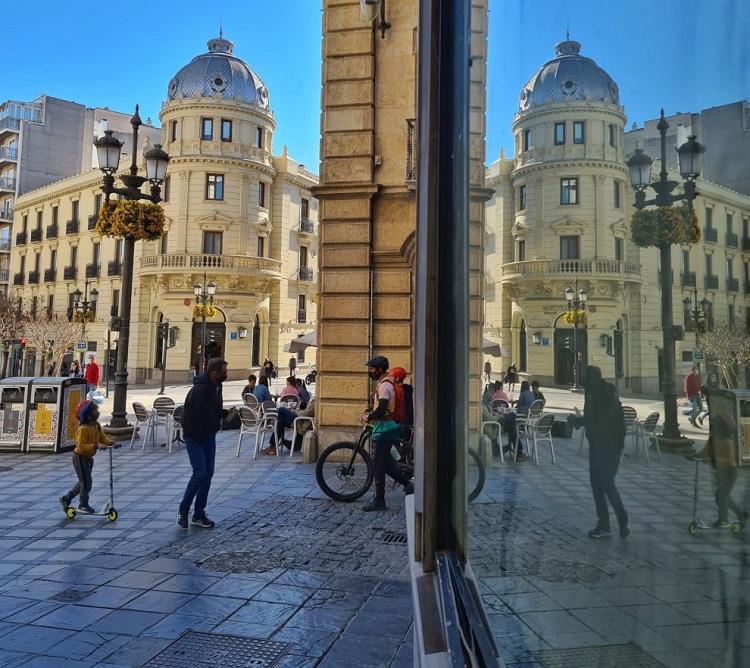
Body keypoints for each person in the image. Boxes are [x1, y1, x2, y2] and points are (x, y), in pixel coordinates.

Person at [576, 365, 629, 539]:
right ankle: (604, 524)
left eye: (584, 376)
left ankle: (622, 518)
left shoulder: (605, 395)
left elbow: (605, 423)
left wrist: (589, 426)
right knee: (597, 484)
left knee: (606, 482)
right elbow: (591, 418)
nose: (581, 379)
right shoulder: (590, 392)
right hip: (597, 445)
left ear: (592, 378)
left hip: (610, 445)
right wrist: (578, 421)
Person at [177, 358, 228, 529]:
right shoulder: (200, 389)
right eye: (223, 371)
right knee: (200, 472)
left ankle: (199, 514)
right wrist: (216, 419)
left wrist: (222, 413)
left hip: (208, 435)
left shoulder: (216, 386)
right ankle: (183, 511)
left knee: (208, 474)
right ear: (213, 372)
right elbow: (203, 413)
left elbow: (213, 410)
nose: (224, 374)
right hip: (195, 435)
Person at [361, 355, 413, 511]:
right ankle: (409, 485)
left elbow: (383, 408)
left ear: (380, 369)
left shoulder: (384, 385)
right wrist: (371, 411)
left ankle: (380, 500)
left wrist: (369, 416)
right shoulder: (388, 383)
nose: (370, 372)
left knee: (377, 464)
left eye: (372, 369)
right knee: (386, 464)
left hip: (385, 429)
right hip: (387, 427)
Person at [59, 400, 113, 515]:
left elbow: (102, 438)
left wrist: (110, 443)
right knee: (86, 483)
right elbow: (81, 446)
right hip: (80, 457)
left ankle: (66, 498)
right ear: (86, 415)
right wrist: (96, 446)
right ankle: (83, 505)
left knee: (83, 482)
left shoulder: (96, 425)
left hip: (88, 458)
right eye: (93, 410)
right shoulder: (83, 429)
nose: (96, 412)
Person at [707, 413, 748, 528]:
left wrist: (714, 458)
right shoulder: (714, 438)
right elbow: (706, 451)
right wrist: (696, 456)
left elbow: (729, 460)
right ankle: (741, 514)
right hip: (720, 472)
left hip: (729, 472)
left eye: (715, 425)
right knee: (722, 496)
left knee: (722, 496)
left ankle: (723, 519)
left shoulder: (727, 441)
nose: (713, 427)